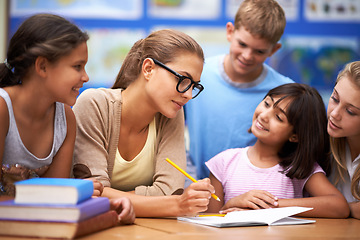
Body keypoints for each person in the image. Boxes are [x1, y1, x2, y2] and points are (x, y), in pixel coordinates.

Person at [72, 29, 215, 217]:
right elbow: (92, 195)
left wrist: (114, 197)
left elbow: (170, 192)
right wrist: (172, 205)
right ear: (148, 69)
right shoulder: (94, 104)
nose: (188, 95)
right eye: (182, 80)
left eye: (194, 86)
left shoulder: (172, 114)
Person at [185, 0, 294, 180]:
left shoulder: (283, 91)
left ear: (274, 50)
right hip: (198, 186)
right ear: (230, 32)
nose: (247, 56)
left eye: (259, 51)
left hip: (251, 192)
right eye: (242, 44)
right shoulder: (198, 74)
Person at [206, 83, 350, 218]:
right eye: (266, 104)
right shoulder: (224, 162)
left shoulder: (300, 169)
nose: (263, 116)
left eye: (278, 117)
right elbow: (210, 223)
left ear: (295, 136)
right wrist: (232, 204)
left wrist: (268, 206)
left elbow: (339, 207)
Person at [0, 13, 89, 196]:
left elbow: (54, 197)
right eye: (77, 67)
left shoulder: (66, 119)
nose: (85, 77)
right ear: (42, 66)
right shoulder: (2, 109)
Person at [328, 61, 360, 219]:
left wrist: (336, 208)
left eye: (350, 111)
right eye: (334, 98)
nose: (334, 114)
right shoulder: (321, 139)